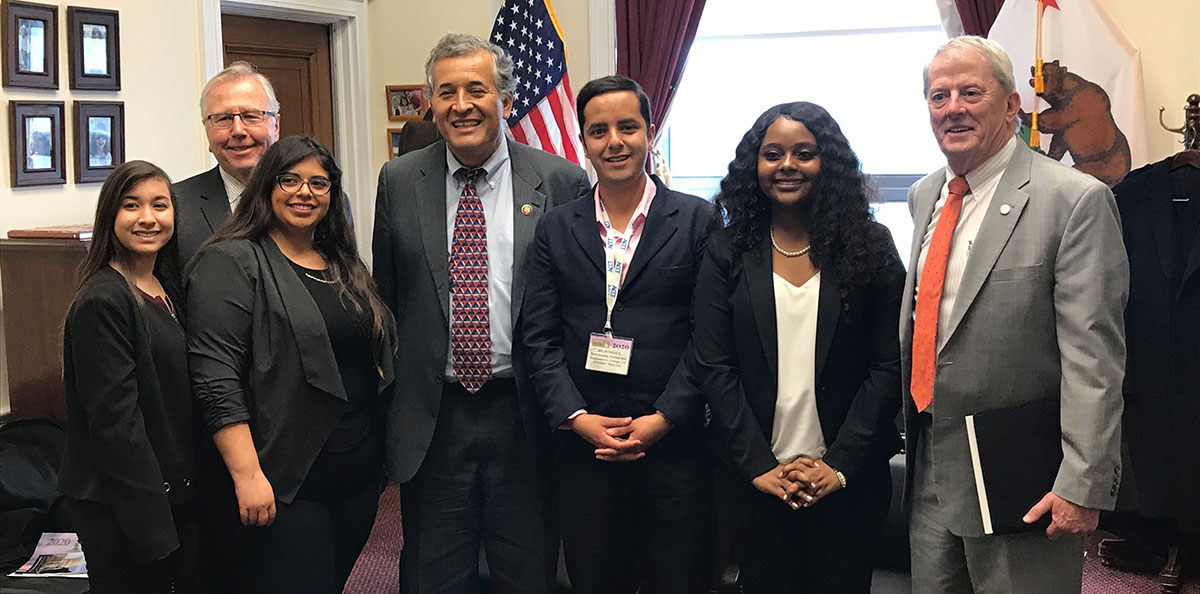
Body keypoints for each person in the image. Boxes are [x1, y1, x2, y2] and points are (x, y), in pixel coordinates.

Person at [901, 36, 1127, 593]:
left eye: (970, 92)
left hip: (1022, 470)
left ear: (1010, 106)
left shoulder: (1074, 200)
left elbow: (1093, 355)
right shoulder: (925, 195)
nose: (952, 107)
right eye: (938, 95)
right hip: (930, 463)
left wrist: (1083, 481)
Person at [372, 33, 591, 594]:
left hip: (524, 410)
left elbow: (575, 301)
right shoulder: (399, 180)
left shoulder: (559, 179)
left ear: (506, 99)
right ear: (431, 103)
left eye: (477, 89)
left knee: (527, 569)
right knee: (434, 571)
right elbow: (388, 299)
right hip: (435, 412)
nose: (461, 104)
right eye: (446, 92)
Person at [692, 102, 904, 593]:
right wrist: (760, 467)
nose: (787, 165)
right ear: (754, 167)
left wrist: (839, 464)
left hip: (847, 482)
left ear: (827, 164)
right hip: (756, 481)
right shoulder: (727, 249)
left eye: (804, 154)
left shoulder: (870, 244)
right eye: (773, 154)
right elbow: (714, 366)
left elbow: (887, 366)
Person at [521, 75, 715, 594]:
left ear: (649, 133)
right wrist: (577, 418)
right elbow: (538, 337)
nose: (615, 142)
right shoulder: (556, 227)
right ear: (583, 141)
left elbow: (710, 338)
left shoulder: (698, 220)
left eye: (628, 127)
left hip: (674, 450)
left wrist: (665, 417)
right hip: (586, 451)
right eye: (599, 130)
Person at [186, 135, 396, 593]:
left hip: (357, 474)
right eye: (290, 180)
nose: (305, 192)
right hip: (285, 479)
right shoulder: (231, 260)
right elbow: (215, 376)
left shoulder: (340, 261)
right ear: (266, 186)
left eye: (319, 183)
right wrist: (247, 475)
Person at [59, 160, 198, 594]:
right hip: (124, 507)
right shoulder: (104, 301)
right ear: (110, 217)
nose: (147, 218)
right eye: (131, 206)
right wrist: (155, 532)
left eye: (160, 205)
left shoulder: (164, 287)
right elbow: (117, 428)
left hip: (171, 493)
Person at [174, 61, 281, 264]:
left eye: (251, 116)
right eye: (223, 119)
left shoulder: (317, 201)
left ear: (275, 126)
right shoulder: (175, 206)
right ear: (207, 131)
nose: (238, 130)